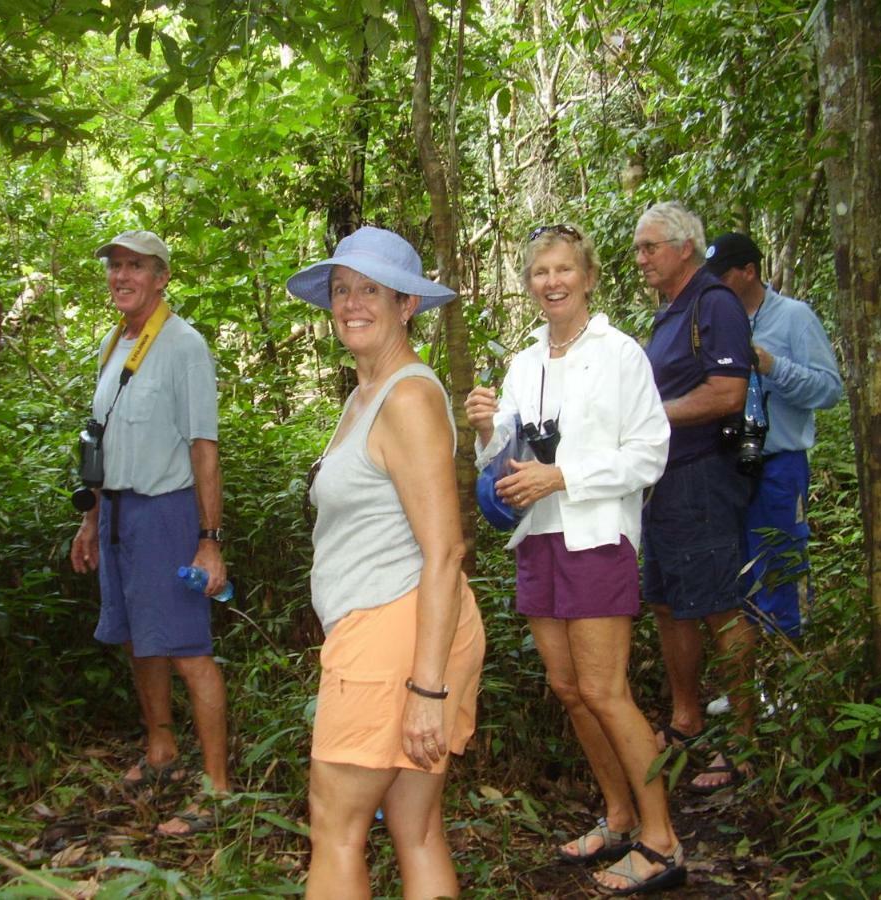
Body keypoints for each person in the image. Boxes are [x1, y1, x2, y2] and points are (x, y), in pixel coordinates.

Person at [466, 223, 684, 894]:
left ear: (588, 277)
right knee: (569, 688)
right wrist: (485, 433)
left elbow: (650, 451)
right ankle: (618, 815)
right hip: (538, 538)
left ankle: (663, 842)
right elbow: (507, 464)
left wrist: (564, 477)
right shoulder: (525, 362)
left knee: (604, 689)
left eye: (564, 270)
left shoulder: (620, 355)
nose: (552, 282)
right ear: (530, 283)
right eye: (540, 273)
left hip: (596, 535)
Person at [286, 226, 486, 899]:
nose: (351, 302)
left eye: (370, 289)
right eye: (342, 289)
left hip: (397, 633)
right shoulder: (365, 394)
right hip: (406, 627)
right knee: (416, 826)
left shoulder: (406, 397)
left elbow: (447, 549)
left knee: (335, 827)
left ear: (407, 305)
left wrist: (427, 692)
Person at [70, 230, 229, 836]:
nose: (120, 276)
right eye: (114, 266)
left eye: (134, 266)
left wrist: (208, 538)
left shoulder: (183, 345)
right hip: (117, 514)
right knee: (139, 637)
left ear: (162, 277)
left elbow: (204, 447)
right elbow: (102, 440)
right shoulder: (116, 342)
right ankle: (161, 748)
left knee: (188, 649)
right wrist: (91, 519)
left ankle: (217, 788)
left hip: (167, 514)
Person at [634, 202, 758, 794]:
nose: (640, 259)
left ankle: (745, 740)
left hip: (703, 477)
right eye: (638, 249)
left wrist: (647, 419)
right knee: (665, 601)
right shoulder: (670, 314)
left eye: (649, 247)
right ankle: (686, 720)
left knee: (717, 604)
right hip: (663, 482)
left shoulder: (714, 304)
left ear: (685, 247)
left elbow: (728, 393)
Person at [703, 232, 843, 640]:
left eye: (722, 276)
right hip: (727, 464)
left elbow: (829, 390)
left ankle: (789, 682)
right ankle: (751, 689)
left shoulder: (795, 318)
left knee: (782, 564)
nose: (714, 286)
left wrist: (772, 366)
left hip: (779, 465)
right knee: (737, 569)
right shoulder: (714, 322)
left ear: (749, 272)